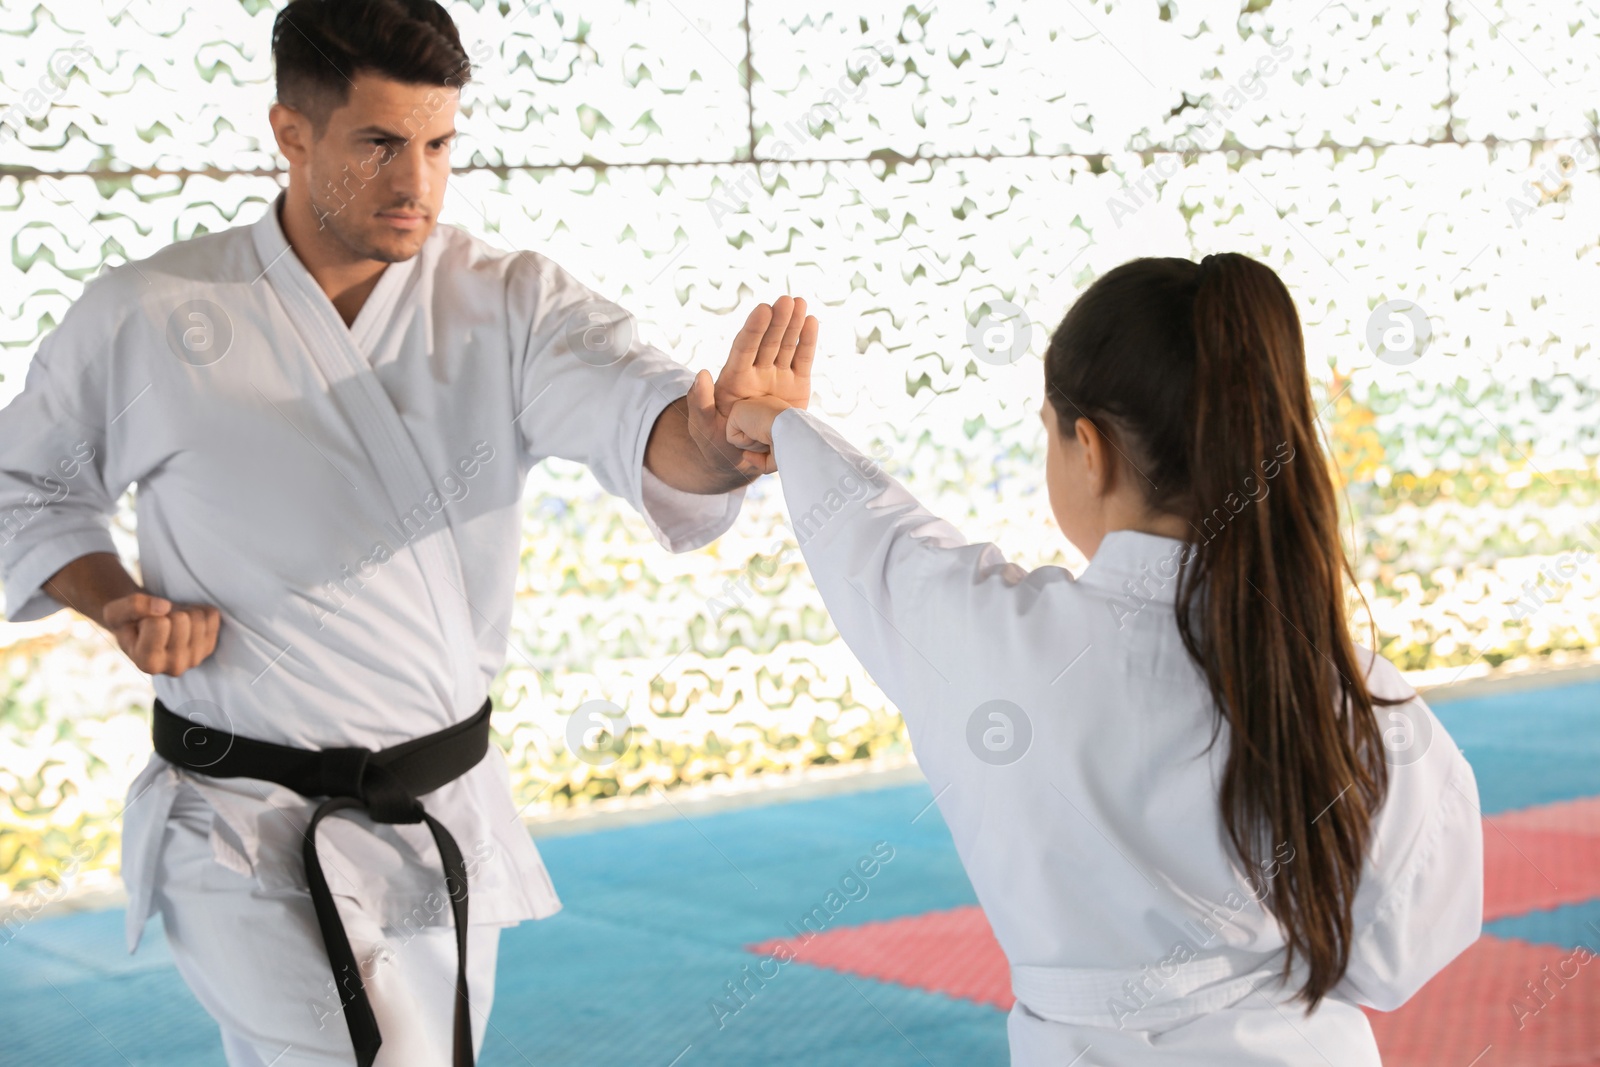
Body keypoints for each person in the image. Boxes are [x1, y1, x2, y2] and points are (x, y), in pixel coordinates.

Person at [0, 1, 817, 1064]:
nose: (417, 184)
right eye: (380, 143)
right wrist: (113, 598)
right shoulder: (151, 312)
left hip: (434, 822)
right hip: (240, 823)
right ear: (291, 133)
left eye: (438, 145)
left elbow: (636, 412)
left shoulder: (507, 302)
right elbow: (27, 485)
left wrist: (717, 439)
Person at [724, 252, 1484, 1065]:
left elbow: (883, 542)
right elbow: (1398, 954)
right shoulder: (1351, 693)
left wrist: (781, 424)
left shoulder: (994, 647)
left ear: (1089, 446)